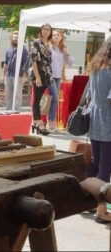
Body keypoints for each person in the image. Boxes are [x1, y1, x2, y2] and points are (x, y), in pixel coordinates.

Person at [84, 35, 111, 223]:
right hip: (108, 120)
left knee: (95, 162)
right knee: (105, 166)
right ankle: (101, 210)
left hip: (94, 119)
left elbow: (89, 95)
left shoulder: (96, 67)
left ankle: (87, 201)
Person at [47, 29, 74, 133]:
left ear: (61, 37)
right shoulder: (49, 48)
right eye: (54, 35)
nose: (56, 36)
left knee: (54, 99)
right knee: (54, 99)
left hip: (58, 77)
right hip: (49, 76)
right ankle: (50, 125)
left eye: (58, 35)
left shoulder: (62, 49)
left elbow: (71, 63)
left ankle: (50, 124)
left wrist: (67, 53)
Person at [29, 23, 53, 135]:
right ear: (41, 30)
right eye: (44, 29)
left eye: (48, 29)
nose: (46, 31)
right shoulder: (36, 43)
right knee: (37, 100)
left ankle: (35, 122)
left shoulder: (48, 43)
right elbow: (33, 61)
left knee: (40, 99)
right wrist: (37, 78)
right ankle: (39, 124)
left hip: (47, 76)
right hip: (39, 75)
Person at [2, 30, 29, 112]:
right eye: (14, 37)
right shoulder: (8, 50)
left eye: (17, 38)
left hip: (19, 76)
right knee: (9, 95)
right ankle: (8, 110)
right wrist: (3, 76)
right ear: (11, 38)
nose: (15, 39)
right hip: (9, 75)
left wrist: (25, 76)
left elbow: (26, 63)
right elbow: (6, 63)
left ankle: (16, 111)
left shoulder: (23, 50)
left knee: (17, 95)